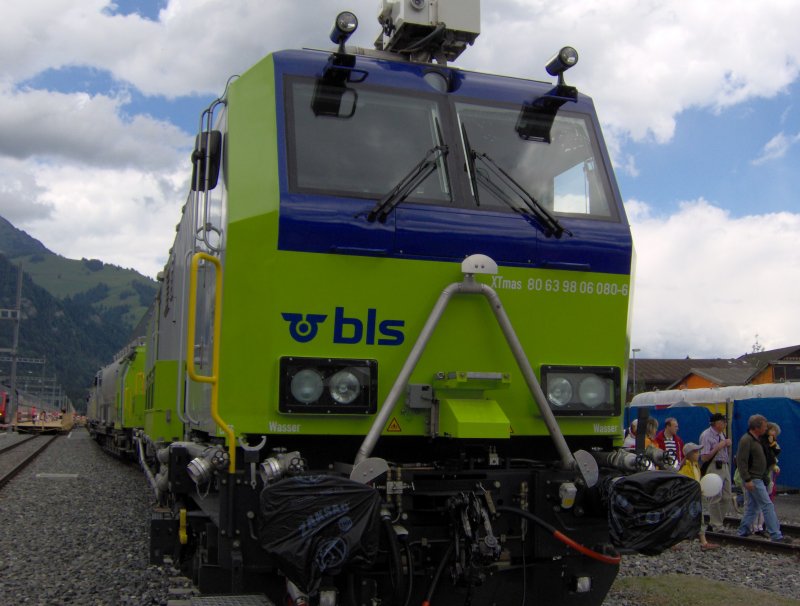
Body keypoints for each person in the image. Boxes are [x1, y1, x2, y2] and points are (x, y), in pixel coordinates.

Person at [736, 414, 788, 542]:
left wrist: (772, 439)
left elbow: (775, 451)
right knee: (767, 505)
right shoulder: (746, 440)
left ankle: (743, 531)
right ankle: (776, 534)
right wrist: (747, 479)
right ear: (757, 427)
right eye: (765, 427)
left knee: (754, 507)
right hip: (754, 478)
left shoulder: (759, 439)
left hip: (759, 477)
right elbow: (741, 461)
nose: (766, 429)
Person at [678, 442, 719, 550]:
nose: (698, 454)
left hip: (695, 496)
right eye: (696, 452)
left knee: (698, 518)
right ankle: (676, 542)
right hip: (689, 497)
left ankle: (703, 541)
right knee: (685, 518)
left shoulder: (695, 465)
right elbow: (686, 483)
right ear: (690, 454)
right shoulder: (685, 468)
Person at [699, 413, 732, 532]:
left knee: (727, 496)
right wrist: (718, 447)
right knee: (715, 496)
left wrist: (726, 445)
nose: (725, 424)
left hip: (724, 465)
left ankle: (717, 521)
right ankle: (717, 525)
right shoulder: (706, 436)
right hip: (714, 466)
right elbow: (704, 457)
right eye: (723, 422)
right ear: (717, 423)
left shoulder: (721, 434)